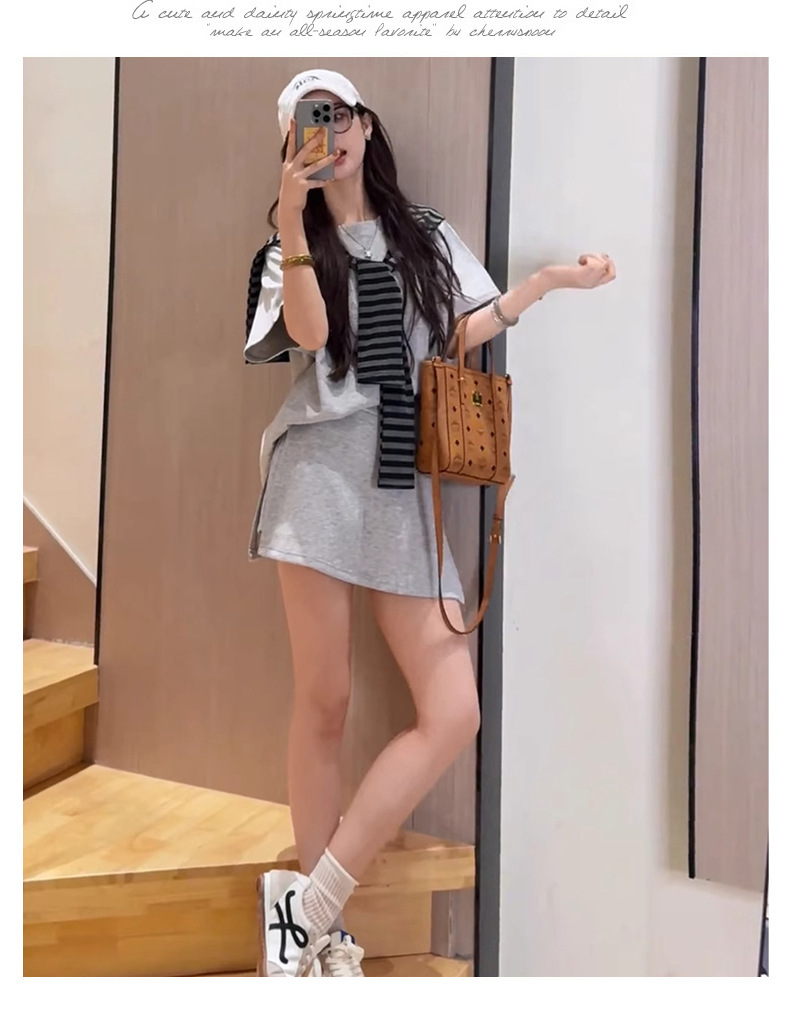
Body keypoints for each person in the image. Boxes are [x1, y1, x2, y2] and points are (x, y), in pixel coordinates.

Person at [245, 68, 616, 979]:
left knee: (453, 710)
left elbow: (459, 329)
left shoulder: (427, 234)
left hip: (404, 484)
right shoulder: (284, 248)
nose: (328, 134)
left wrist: (545, 283)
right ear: (292, 145)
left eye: (337, 115)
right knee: (325, 699)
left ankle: (308, 905)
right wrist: (291, 221)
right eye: (306, 124)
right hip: (317, 480)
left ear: (367, 126)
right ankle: (324, 936)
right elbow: (309, 335)